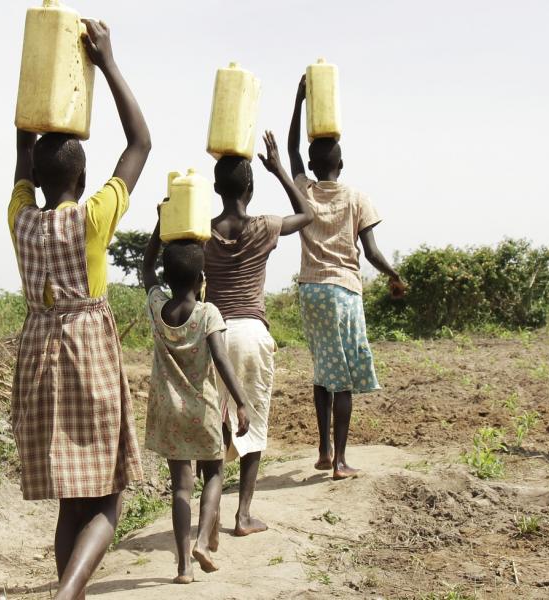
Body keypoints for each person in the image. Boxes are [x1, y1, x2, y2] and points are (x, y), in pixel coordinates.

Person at [8, 20, 150, 600]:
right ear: (83, 175)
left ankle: (73, 593)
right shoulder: (92, 219)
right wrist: (108, 61)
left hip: (37, 354)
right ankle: (68, 593)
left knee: (72, 495)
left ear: (35, 178)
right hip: (87, 350)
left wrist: (32, 96)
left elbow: (22, 157)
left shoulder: (19, 216)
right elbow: (140, 143)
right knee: (108, 493)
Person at [287, 75, 406, 480]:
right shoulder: (356, 197)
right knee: (343, 383)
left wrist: (299, 101)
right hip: (343, 292)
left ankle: (323, 450)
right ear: (340, 164)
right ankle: (340, 461)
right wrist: (394, 275)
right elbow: (371, 252)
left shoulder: (303, 189)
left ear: (314, 165)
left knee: (323, 370)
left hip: (310, 291)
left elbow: (291, 154)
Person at [202, 131, 312, 536]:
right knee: (255, 423)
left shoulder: (203, 232)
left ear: (216, 188)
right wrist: (279, 167)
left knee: (215, 424)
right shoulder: (263, 226)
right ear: (251, 187)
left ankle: (209, 512)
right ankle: (243, 515)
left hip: (212, 333)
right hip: (250, 333)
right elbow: (307, 215)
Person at [141, 238, 251, 584]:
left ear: (167, 277)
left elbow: (146, 268)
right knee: (215, 473)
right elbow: (220, 359)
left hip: (168, 411)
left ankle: (183, 568)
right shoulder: (207, 313)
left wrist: (160, 228)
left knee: (180, 488)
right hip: (202, 410)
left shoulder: (158, 306)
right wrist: (241, 401)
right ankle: (202, 542)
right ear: (202, 277)